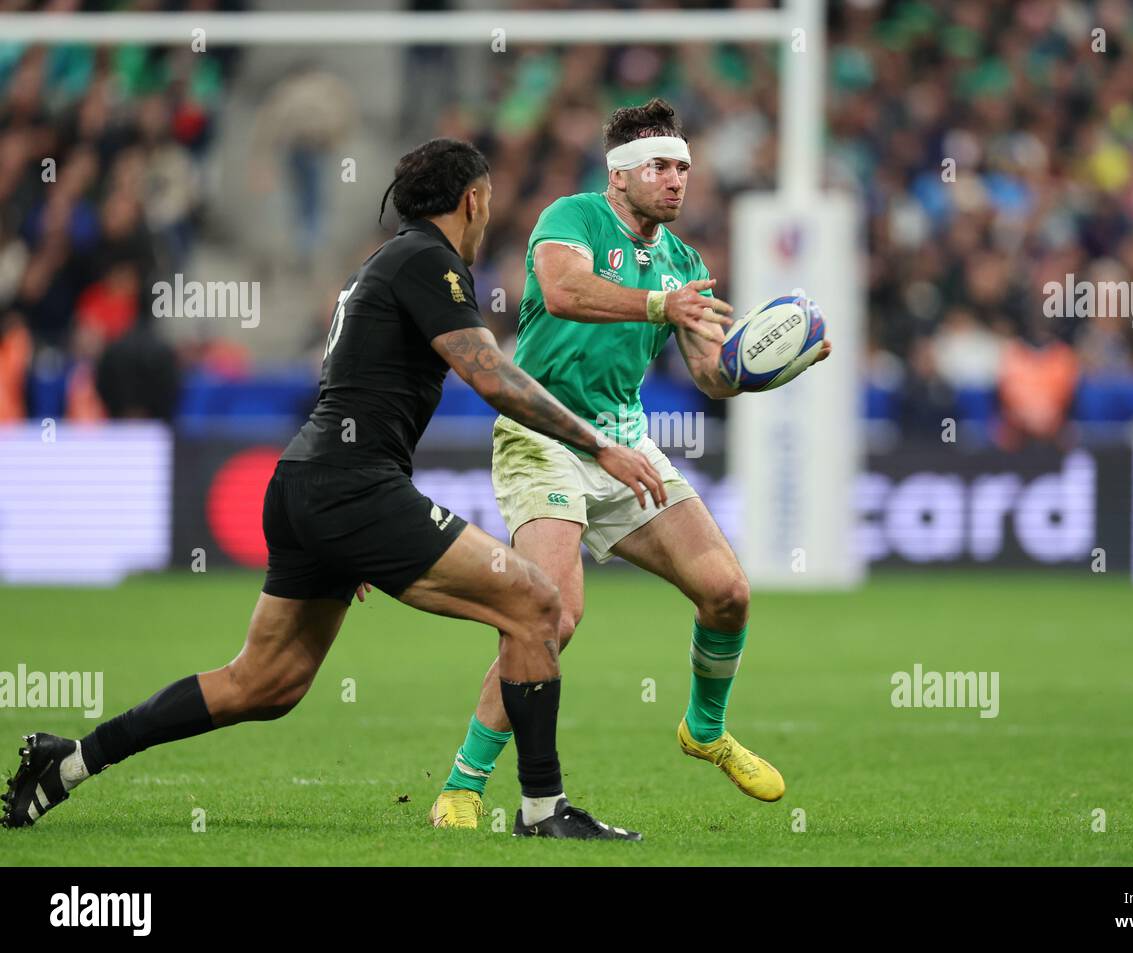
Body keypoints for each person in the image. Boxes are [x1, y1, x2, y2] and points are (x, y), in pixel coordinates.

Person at [3, 139, 665, 841]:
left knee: (264, 683)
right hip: (349, 487)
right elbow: (492, 377)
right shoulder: (427, 262)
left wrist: (355, 539)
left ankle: (69, 761)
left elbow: (364, 390)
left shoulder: (380, 266)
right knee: (536, 602)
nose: (488, 216)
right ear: (472, 200)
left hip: (313, 483)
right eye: (489, 202)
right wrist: (598, 443)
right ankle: (543, 810)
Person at [430, 100, 831, 829]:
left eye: (683, 167)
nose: (677, 180)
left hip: (627, 442)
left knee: (728, 593)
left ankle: (703, 731)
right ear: (619, 178)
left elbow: (712, 376)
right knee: (553, 615)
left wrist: (770, 368)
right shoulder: (572, 217)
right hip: (544, 431)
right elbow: (562, 291)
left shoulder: (684, 262)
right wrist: (660, 306)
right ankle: (462, 783)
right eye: (661, 167)